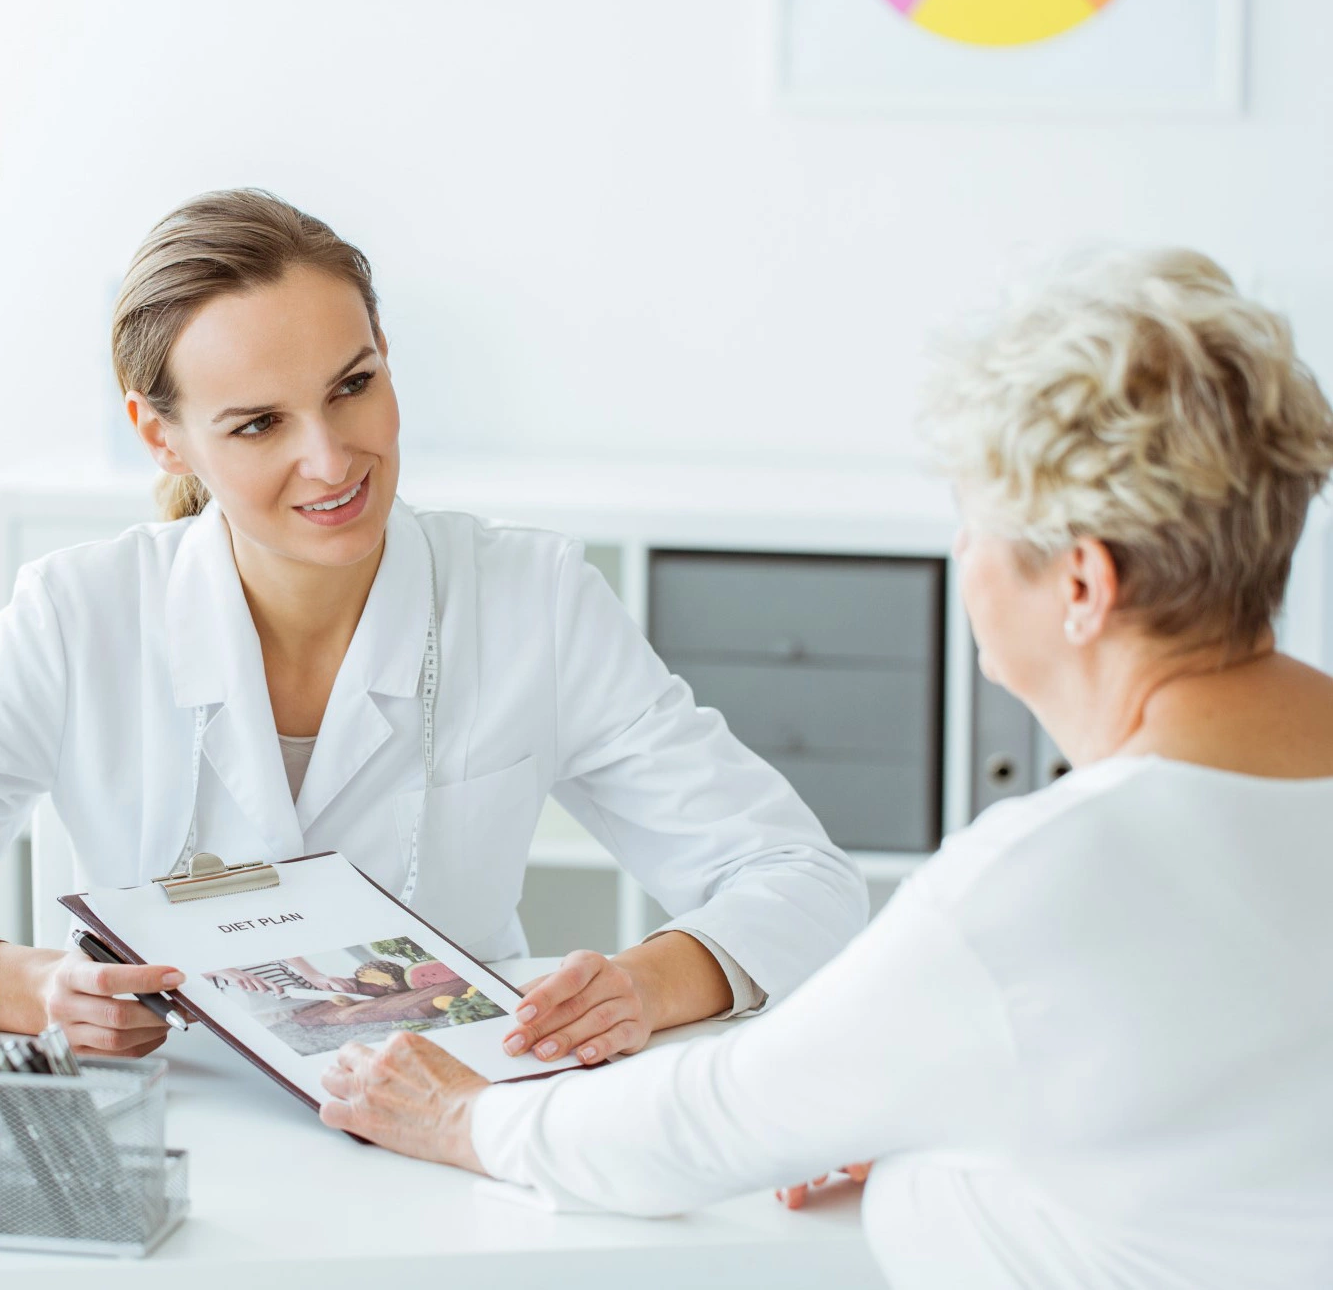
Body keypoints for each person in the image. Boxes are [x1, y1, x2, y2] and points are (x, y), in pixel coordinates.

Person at [319, 250, 1333, 1289]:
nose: (964, 553)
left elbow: (700, 1122)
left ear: (1080, 582)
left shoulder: (1042, 884)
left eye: (975, 520)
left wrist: (461, 1113)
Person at [0, 188, 868, 1063]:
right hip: (172, 1128)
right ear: (161, 436)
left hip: (450, 1121)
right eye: (259, 424)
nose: (331, 461)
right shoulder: (74, 615)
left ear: (385, 357)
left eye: (352, 386)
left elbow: (802, 881)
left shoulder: (534, 598)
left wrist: (641, 986)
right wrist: (40, 987)